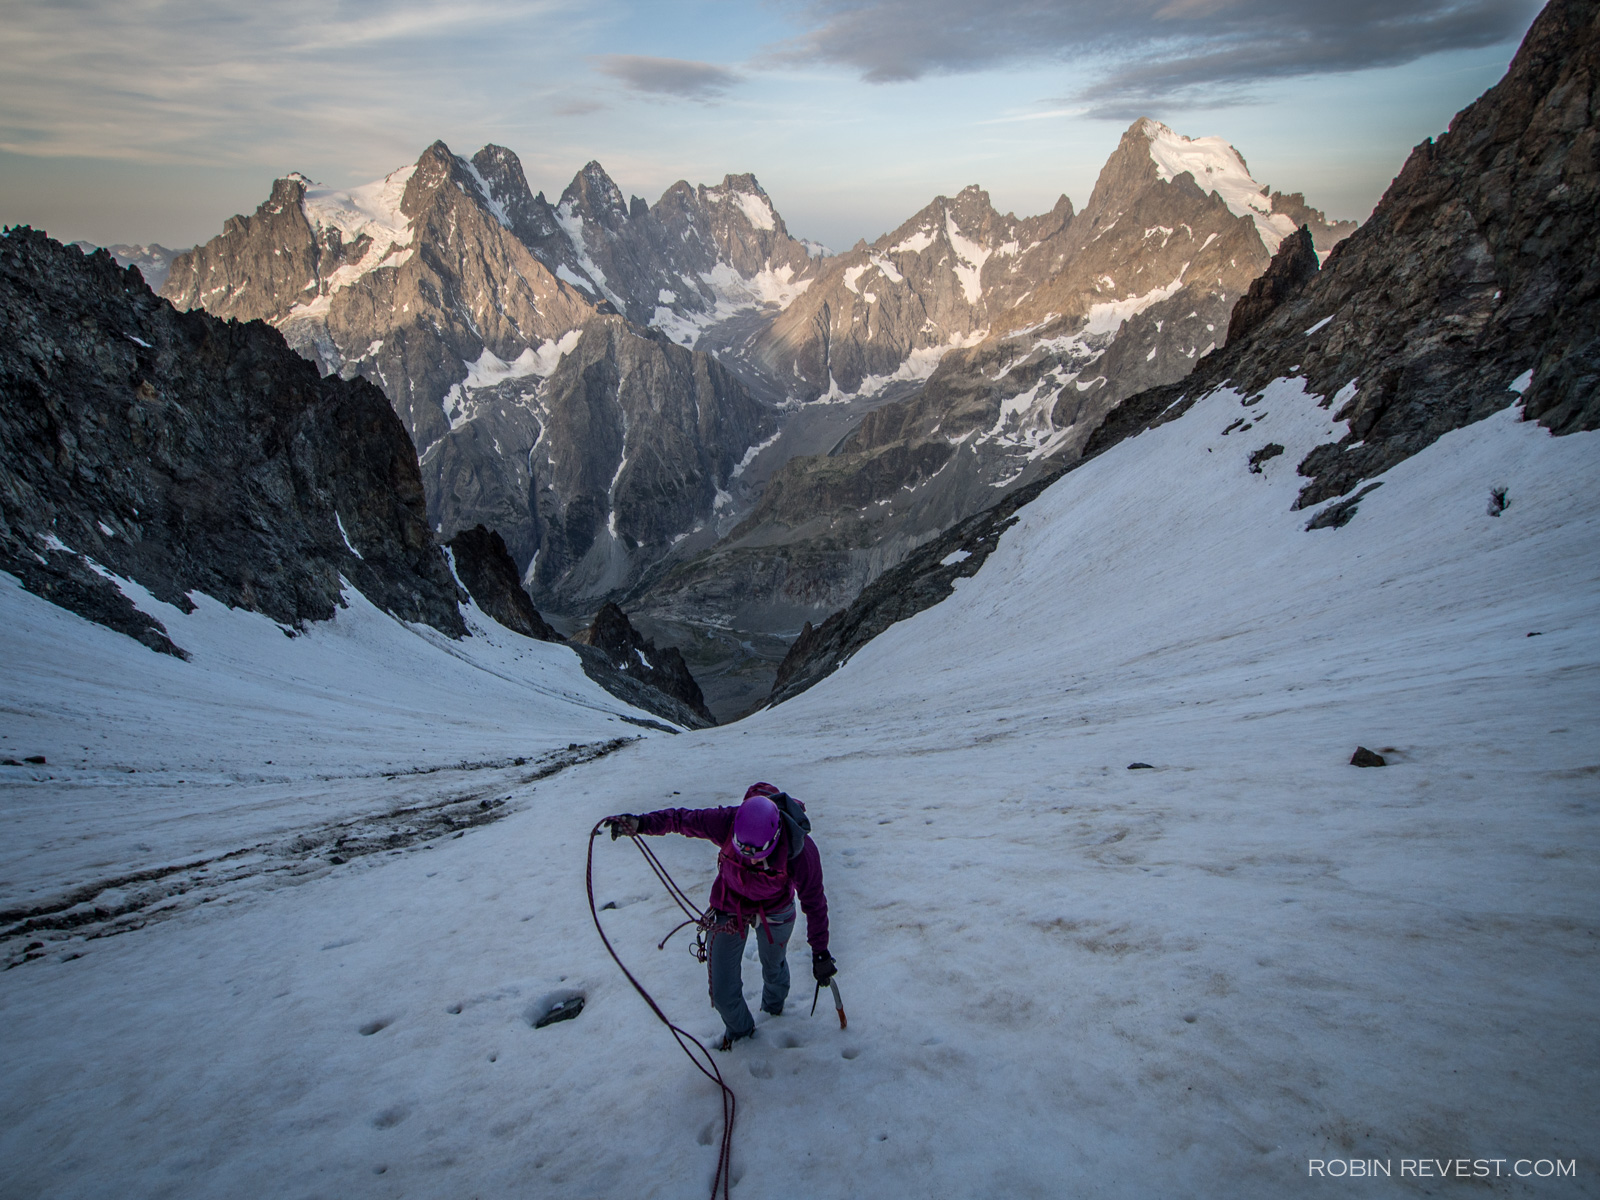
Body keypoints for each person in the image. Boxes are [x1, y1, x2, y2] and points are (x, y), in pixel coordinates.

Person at [604, 782, 835, 1050]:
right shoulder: (726, 821)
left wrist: (821, 952)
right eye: (743, 851)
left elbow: (814, 902)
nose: (750, 859)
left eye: (757, 854)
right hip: (729, 904)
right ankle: (743, 1038)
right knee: (723, 992)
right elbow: (682, 819)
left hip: (776, 908)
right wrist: (641, 824)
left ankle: (774, 1014)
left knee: (774, 966)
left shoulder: (801, 851)